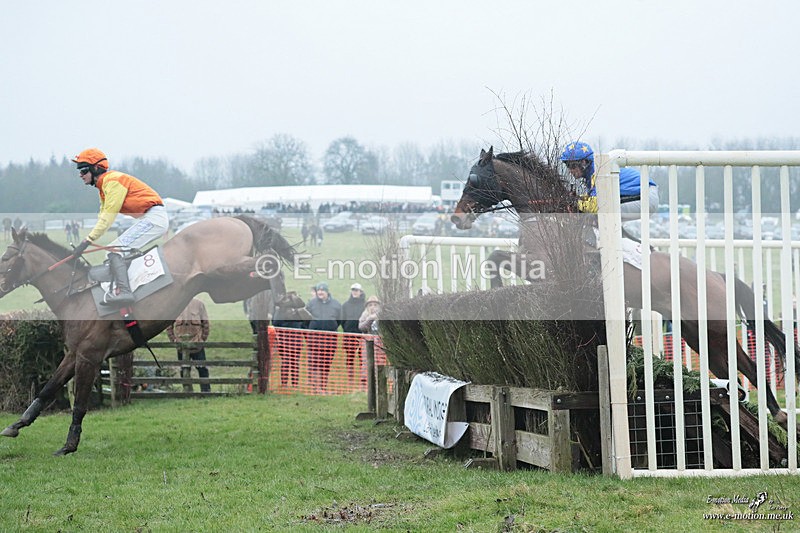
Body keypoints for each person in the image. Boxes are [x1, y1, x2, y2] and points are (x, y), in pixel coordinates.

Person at [71, 148, 169, 307]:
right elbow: (102, 217)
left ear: (95, 168)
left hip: (154, 218)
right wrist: (87, 240)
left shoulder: (113, 181)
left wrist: (86, 241)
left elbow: (108, 218)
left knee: (113, 250)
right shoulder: (103, 187)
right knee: (111, 252)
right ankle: (126, 287)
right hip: (149, 217)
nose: (80, 175)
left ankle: (125, 292)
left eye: (83, 170)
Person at [560, 141, 659, 220]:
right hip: (643, 195)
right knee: (602, 218)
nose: (570, 170)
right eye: (567, 165)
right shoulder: (594, 171)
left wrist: (575, 202)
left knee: (601, 215)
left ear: (584, 162)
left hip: (646, 197)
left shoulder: (598, 172)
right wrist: (578, 199)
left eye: (572, 165)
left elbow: (596, 205)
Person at [166, 298, 211, 392]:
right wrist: (174, 340)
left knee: (202, 369)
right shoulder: (175, 304)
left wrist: (202, 339)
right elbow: (168, 325)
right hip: (181, 346)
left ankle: (206, 391)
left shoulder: (199, 304)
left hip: (197, 345)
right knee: (184, 369)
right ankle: (187, 391)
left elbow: (206, 324)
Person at [305, 282, 341, 393]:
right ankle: (316, 388)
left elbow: (340, 320)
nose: (320, 292)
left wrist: (331, 326)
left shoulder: (336, 304)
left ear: (327, 292)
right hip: (314, 340)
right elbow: (305, 319)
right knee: (315, 363)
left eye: (322, 290)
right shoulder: (311, 303)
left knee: (326, 364)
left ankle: (323, 386)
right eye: (318, 290)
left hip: (330, 340)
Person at [272, 291, 312, 388]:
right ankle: (294, 384)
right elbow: (305, 324)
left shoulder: (280, 310)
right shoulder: (299, 311)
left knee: (285, 361)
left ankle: (284, 384)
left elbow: (275, 323)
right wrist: (307, 339)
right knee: (295, 362)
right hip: (296, 340)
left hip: (284, 340)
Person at [340, 283, 366, 383]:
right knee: (350, 357)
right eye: (353, 290)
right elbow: (342, 320)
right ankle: (350, 380)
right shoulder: (345, 305)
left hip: (362, 335)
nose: (355, 292)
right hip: (349, 335)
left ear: (360, 292)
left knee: (363, 358)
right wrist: (347, 329)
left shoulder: (365, 305)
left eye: (356, 290)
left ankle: (363, 379)